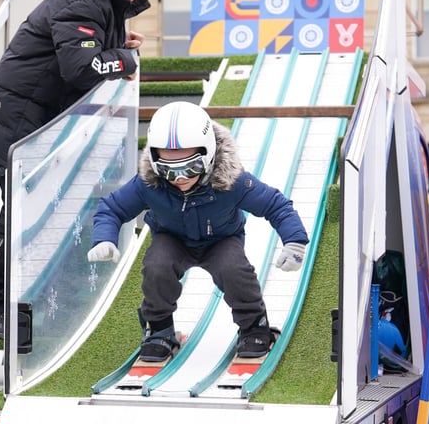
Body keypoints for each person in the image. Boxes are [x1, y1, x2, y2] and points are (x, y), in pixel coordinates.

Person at [0, 0, 163, 338]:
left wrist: (115, 42)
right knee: (19, 217)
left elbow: (86, 50)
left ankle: (18, 303)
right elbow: (81, 68)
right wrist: (124, 60)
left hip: (36, 122)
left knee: (29, 213)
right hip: (19, 124)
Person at [87, 101, 309, 361]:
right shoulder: (149, 184)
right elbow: (112, 208)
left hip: (221, 240)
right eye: (169, 170)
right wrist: (104, 238)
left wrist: (294, 241)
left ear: (209, 155)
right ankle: (159, 329)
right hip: (172, 239)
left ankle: (253, 325)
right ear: (155, 162)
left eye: (190, 168)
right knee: (157, 266)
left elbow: (275, 205)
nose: (180, 178)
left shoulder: (232, 182)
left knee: (233, 268)